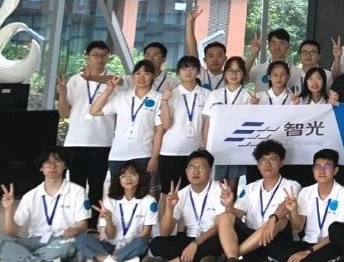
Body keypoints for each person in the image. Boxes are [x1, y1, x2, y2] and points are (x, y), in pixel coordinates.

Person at [210, 139, 302, 262]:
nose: (267, 164)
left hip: (277, 238)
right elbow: (236, 214)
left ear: (281, 162)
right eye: (263, 160)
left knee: (281, 220)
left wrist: (272, 219)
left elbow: (285, 206)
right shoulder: (250, 188)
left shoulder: (292, 185)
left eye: (273, 159)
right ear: (258, 165)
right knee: (224, 216)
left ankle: (227, 258)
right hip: (252, 238)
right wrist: (228, 205)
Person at [256, 148, 344, 262]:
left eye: (327, 167)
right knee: (271, 247)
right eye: (317, 167)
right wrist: (293, 211)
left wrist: (308, 252)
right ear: (313, 170)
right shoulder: (306, 192)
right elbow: (298, 228)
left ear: (335, 170)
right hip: (307, 243)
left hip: (329, 243)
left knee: (332, 250)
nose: (322, 171)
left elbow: (338, 234)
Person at [0, 146, 88, 262]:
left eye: (58, 161)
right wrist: (9, 209)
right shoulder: (30, 195)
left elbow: (83, 225)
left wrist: (76, 229)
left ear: (65, 165)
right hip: (35, 240)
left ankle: (16, 260)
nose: (53, 166)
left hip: (61, 239)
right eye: (48, 162)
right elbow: (12, 233)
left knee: (71, 246)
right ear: (41, 167)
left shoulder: (78, 192)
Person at [57, 40, 117, 224]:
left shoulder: (114, 80)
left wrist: (93, 79)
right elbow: (64, 113)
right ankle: (77, 222)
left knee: (97, 185)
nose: (99, 58)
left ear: (108, 58)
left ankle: (92, 224)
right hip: (76, 140)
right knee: (76, 186)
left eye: (104, 55)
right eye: (95, 55)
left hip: (102, 141)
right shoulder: (75, 80)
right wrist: (62, 94)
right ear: (87, 57)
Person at [143, 150, 226, 262]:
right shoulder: (181, 194)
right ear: (186, 171)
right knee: (156, 243)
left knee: (219, 243)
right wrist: (169, 209)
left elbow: (221, 226)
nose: (195, 171)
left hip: (211, 237)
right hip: (189, 238)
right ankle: (205, 261)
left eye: (201, 167)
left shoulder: (220, 190)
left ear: (210, 170)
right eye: (191, 167)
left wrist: (195, 244)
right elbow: (165, 232)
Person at [73, 161, 155, 262]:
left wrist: (126, 248)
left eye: (133, 174)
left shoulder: (149, 201)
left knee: (142, 242)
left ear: (140, 177)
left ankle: (104, 261)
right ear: (119, 180)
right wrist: (109, 220)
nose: (128, 178)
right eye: (123, 176)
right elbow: (110, 236)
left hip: (132, 245)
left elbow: (146, 232)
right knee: (81, 238)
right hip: (110, 245)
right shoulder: (110, 200)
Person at [88, 60, 159, 180]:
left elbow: (159, 131)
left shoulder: (159, 98)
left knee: (141, 190)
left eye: (146, 73)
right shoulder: (122, 97)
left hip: (143, 154)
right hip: (118, 155)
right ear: (132, 76)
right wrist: (108, 90)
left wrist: (154, 157)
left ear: (153, 76)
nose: (141, 77)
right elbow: (94, 111)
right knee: (116, 190)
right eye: (138, 73)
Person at [152, 55, 207, 195]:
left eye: (192, 68)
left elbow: (208, 124)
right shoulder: (171, 94)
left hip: (195, 152)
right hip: (170, 151)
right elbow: (166, 125)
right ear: (178, 72)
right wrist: (165, 100)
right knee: (168, 193)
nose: (188, 71)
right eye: (183, 68)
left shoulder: (207, 95)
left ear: (198, 71)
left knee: (192, 193)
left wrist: (204, 145)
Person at [202, 56, 250, 187]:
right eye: (230, 71)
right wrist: (205, 146)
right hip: (216, 145)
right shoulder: (214, 95)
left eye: (238, 71)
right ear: (224, 73)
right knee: (215, 185)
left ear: (243, 74)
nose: (234, 74)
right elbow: (208, 123)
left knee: (232, 186)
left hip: (237, 145)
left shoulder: (248, 96)